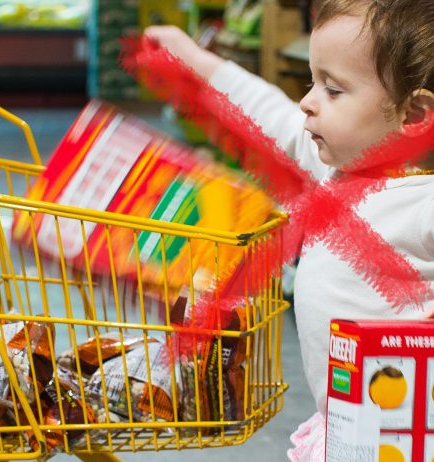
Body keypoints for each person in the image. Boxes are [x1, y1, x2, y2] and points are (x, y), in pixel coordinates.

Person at [144, 0, 434, 459]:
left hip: (409, 436)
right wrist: (196, 60)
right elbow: (268, 113)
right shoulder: (335, 173)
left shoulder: (422, 205)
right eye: (311, 82)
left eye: (334, 90)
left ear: (414, 117)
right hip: (347, 427)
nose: (307, 101)